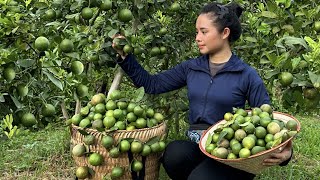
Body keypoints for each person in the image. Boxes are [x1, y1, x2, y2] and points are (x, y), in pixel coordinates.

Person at [112, 2, 293, 180]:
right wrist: (125, 57)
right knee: (174, 154)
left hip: (231, 153)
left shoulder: (246, 74)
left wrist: (286, 153)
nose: (198, 37)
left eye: (204, 32)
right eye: (197, 32)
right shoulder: (191, 68)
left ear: (225, 33)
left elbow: (267, 118)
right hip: (199, 145)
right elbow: (152, 85)